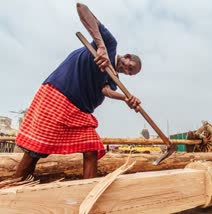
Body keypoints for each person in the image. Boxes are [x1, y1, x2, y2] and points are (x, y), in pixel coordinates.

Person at [15, 3, 142, 179]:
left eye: (130, 72)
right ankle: (12, 193)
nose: (127, 69)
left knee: (92, 149)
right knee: (34, 151)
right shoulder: (109, 44)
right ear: (127, 56)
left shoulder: (113, 79)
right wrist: (101, 46)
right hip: (58, 96)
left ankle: (87, 195)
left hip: (79, 113)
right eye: (130, 66)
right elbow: (82, 7)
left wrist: (127, 98)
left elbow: (105, 90)